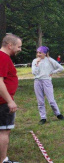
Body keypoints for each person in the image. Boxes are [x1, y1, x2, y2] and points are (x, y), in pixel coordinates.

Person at [0, 34, 22, 163]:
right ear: (10, 45)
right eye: (18, 47)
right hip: (3, 103)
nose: (19, 49)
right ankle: (3, 160)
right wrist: (9, 101)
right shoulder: (2, 57)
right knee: (4, 131)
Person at [32, 46, 64, 125]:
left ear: (45, 53)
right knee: (40, 101)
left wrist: (53, 72)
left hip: (47, 81)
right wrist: (37, 64)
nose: (38, 54)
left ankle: (58, 114)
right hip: (37, 81)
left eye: (40, 53)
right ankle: (43, 118)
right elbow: (34, 72)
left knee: (51, 100)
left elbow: (61, 68)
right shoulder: (35, 61)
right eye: (37, 53)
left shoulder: (50, 60)